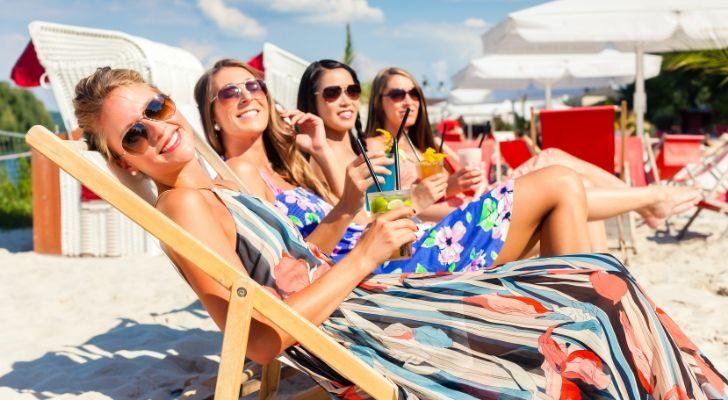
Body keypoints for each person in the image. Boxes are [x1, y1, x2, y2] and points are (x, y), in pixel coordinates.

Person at [76, 66, 726, 399]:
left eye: (156, 109)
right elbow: (263, 339)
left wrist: (357, 224)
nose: (157, 130)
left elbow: (294, 264)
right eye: (133, 133)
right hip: (357, 328)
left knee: (588, 284)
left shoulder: (206, 186)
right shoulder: (186, 205)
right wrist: (362, 255)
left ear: (171, 102)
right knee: (593, 285)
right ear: (122, 160)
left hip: (360, 303)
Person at [196, 58, 594, 274]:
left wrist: (320, 150)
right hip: (397, 257)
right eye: (230, 92)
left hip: (408, 238)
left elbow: (348, 210)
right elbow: (308, 254)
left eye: (254, 86)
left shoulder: (286, 168)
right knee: (557, 176)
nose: (247, 95)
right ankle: (589, 326)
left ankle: (590, 316)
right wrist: (415, 197)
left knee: (558, 180)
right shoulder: (236, 180)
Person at [362, 66, 702, 248]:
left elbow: (461, 176)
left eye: (414, 93)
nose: (408, 99)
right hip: (456, 223)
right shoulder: (379, 147)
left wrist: (462, 176)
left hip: (470, 204)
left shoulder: (422, 145)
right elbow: (384, 210)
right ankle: (649, 201)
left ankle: (636, 218)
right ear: (379, 101)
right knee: (560, 175)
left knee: (562, 168)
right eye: (397, 94)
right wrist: (448, 192)